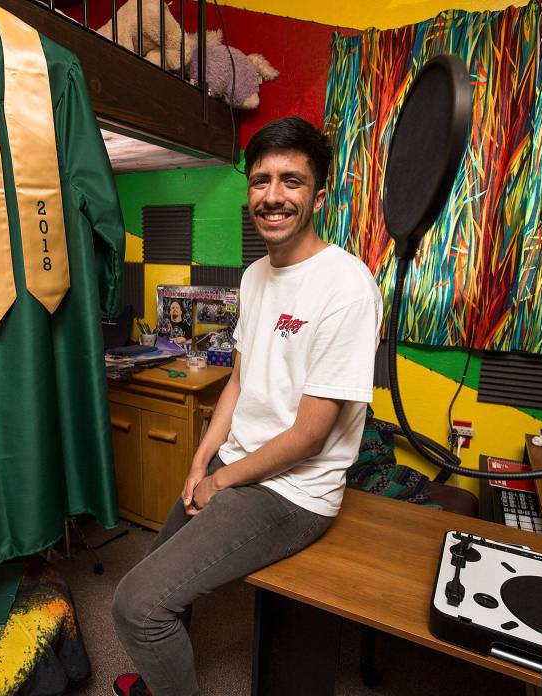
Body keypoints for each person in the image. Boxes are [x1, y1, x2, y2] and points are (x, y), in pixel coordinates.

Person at [111, 116, 383, 696]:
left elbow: (310, 435)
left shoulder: (347, 288)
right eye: (261, 181)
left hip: (293, 491)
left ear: (319, 193)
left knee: (135, 607)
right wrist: (198, 462)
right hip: (235, 464)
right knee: (158, 583)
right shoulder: (257, 274)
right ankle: (162, 675)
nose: (273, 196)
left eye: (291, 180)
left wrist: (221, 481)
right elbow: (240, 380)